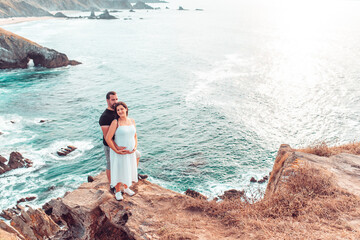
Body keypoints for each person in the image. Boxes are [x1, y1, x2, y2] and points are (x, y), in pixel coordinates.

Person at [99, 92, 146, 192]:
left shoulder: (122, 114)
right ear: (107, 100)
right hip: (109, 145)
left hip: (123, 142)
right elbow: (108, 137)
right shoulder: (105, 117)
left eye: (116, 99)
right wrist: (116, 148)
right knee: (111, 164)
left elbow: (133, 133)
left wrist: (134, 145)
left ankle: (131, 174)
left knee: (137, 154)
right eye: (113, 100)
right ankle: (113, 185)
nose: (115, 101)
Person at [105, 101, 138, 200]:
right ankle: (118, 191)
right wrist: (116, 150)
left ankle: (127, 188)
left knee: (128, 169)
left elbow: (135, 136)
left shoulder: (132, 121)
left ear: (126, 109)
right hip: (119, 153)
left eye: (121, 109)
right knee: (119, 170)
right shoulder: (115, 122)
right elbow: (108, 138)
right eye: (118, 110)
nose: (120, 111)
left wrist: (135, 147)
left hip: (130, 153)